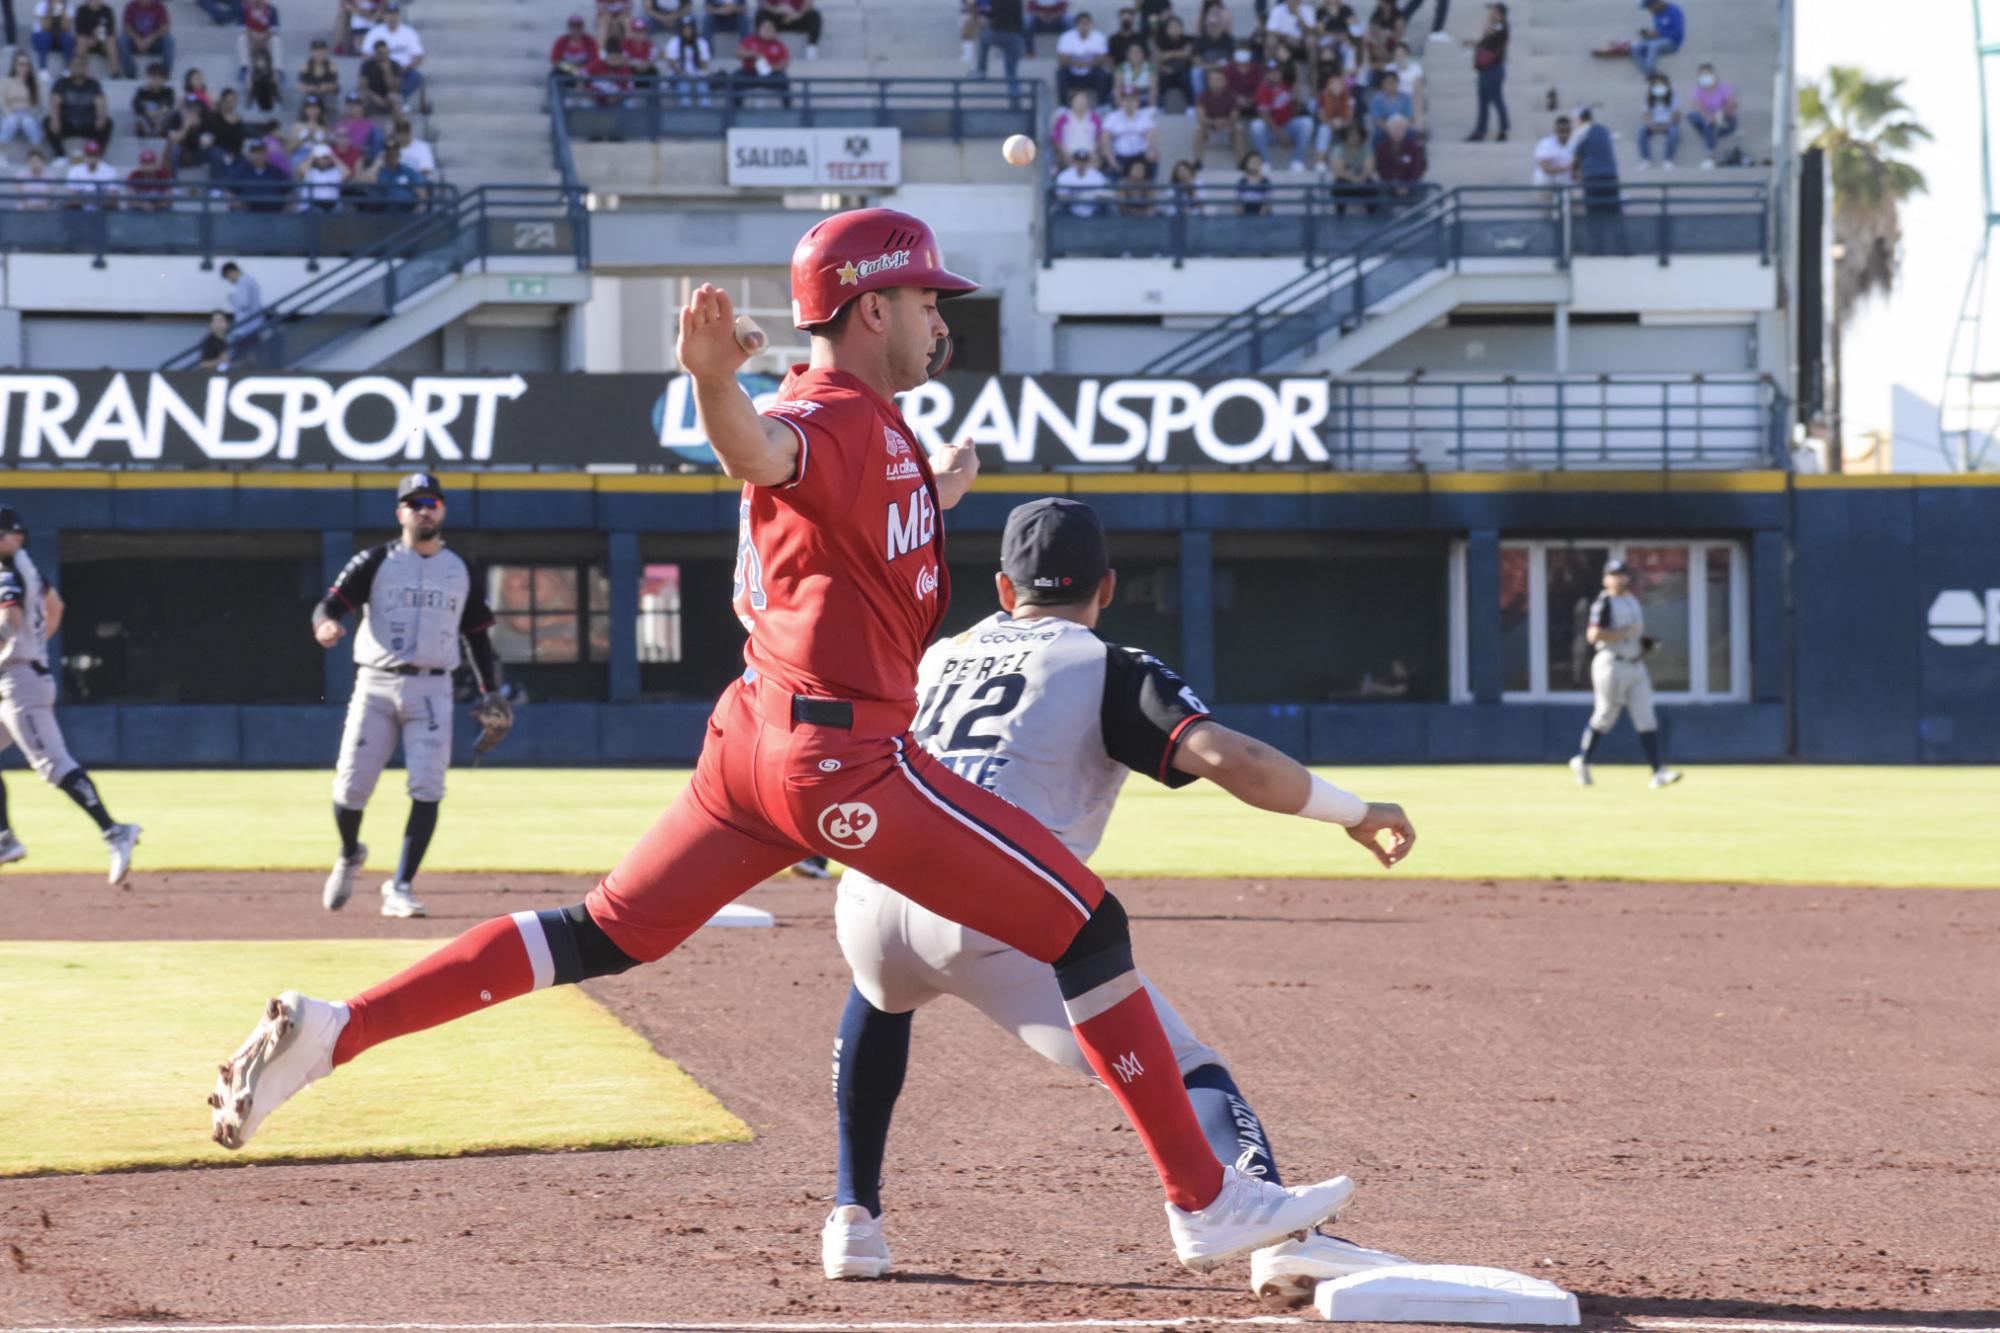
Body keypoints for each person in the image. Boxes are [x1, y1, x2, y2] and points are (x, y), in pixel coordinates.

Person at [210, 208, 1362, 1287]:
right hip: (841, 761)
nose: (936, 316)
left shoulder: (885, 433)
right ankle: (1202, 1197)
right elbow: (760, 449)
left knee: (603, 931)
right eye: (921, 298)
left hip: (749, 748)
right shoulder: (828, 417)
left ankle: (338, 1029)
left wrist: (944, 481)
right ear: (870, 310)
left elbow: (865, 502)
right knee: (1087, 924)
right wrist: (713, 380)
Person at [819, 498, 1415, 1297]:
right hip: (998, 913)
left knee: (878, 995)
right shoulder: (1104, 664)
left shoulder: (933, 657)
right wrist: (1355, 810)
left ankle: (853, 1219)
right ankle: (1279, 1235)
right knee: (1190, 1067)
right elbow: (1227, 757)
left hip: (869, 899)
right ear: (1106, 588)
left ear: (1003, 588)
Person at [308, 474, 504, 920]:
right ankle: (349, 852)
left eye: (431, 501)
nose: (424, 509)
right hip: (376, 683)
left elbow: (476, 636)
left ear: (443, 510)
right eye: (413, 502)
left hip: (434, 687)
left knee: (428, 787)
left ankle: (401, 885)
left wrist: (491, 691)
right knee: (351, 788)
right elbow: (331, 604)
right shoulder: (375, 561)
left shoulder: (459, 570)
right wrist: (325, 624)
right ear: (400, 513)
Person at [0, 506, 141, 885]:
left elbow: (8, 620)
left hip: (18, 683)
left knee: (54, 766)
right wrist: (35, 646)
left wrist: (21, 647)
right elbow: (55, 606)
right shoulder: (26, 568)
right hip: (18, 674)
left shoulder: (8, 570)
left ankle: (115, 831)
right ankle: (3, 838)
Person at [1569, 558, 1680, 789]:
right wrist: (1622, 633)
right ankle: (1584, 761)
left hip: (1635, 664)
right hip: (1611, 663)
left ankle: (1658, 771)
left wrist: (1645, 643)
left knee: (1646, 717)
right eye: (1614, 574)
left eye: (1622, 574)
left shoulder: (1632, 601)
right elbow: (1593, 635)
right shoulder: (1605, 603)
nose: (1620, 578)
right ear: (1605, 579)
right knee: (1605, 716)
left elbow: (1635, 635)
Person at [43, 53, 109, 157]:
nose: (78, 68)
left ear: (85, 68)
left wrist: (101, 117)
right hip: (67, 123)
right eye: (75, 65)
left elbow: (100, 101)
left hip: (88, 123)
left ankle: (96, 155)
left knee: (107, 123)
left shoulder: (93, 84)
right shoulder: (61, 83)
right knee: (47, 121)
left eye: (81, 65)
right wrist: (55, 118)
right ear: (70, 67)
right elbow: (54, 101)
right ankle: (60, 156)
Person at [361, 3, 424, 108]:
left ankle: (399, 99)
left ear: (399, 16)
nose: (392, 18)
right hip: (379, 70)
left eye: (395, 14)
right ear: (384, 16)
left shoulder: (409, 33)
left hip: (403, 71)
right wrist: (380, 65)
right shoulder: (375, 32)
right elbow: (365, 55)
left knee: (416, 76)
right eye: (389, 15)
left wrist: (406, 67)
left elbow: (419, 56)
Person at [1248, 59, 1306, 172]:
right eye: (1270, 72)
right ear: (1266, 75)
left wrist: (1297, 99)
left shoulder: (1287, 85)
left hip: (1287, 126)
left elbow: (1295, 110)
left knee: (1306, 123)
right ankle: (1265, 163)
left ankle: (1296, 161)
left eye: (1276, 72)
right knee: (1256, 125)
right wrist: (1281, 134)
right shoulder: (1263, 88)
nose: (1273, 75)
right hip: (1271, 131)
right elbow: (1264, 115)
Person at [1464, 0, 1504, 141]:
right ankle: (1480, 130)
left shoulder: (1501, 27)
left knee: (1496, 100)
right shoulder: (1495, 27)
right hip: (1485, 69)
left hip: (1493, 69)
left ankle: (1503, 129)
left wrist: (1488, 22)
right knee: (1483, 102)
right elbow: (1484, 41)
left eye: (1493, 11)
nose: (1490, 14)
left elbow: (1490, 38)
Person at [1685, 61, 1736, 168]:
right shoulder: (1697, 90)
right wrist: (1709, 117)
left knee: (1709, 124)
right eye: (1702, 75)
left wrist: (1720, 114)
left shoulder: (1723, 87)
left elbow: (1732, 103)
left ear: (1713, 74)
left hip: (1725, 118)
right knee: (1696, 117)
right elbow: (1699, 107)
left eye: (1707, 74)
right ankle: (1710, 153)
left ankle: (1710, 155)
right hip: (1709, 118)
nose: (1705, 77)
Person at [1100, 85, 1157, 179]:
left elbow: (1151, 139)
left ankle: (1148, 189)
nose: (1129, 102)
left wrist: (1150, 150)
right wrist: (1112, 161)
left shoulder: (1145, 117)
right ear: (1121, 101)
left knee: (1154, 157)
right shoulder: (1112, 117)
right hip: (1119, 157)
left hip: (1139, 157)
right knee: (1108, 165)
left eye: (1132, 99)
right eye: (1125, 99)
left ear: (1137, 101)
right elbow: (1105, 142)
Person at [1054, 10, 1110, 105]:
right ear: (1076, 24)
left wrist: (1084, 64)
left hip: (1091, 73)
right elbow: (1062, 59)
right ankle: (1063, 106)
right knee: (1060, 73)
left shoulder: (1099, 37)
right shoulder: (1066, 37)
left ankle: (1102, 104)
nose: (1084, 26)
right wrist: (1076, 64)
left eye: (1087, 23)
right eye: (1082, 23)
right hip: (1072, 73)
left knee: (1103, 75)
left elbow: (1102, 58)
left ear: (1091, 24)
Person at [975, 0, 1027, 94]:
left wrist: (980, 12)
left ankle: (981, 70)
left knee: (983, 37)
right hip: (1016, 38)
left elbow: (992, 12)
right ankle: (1015, 103)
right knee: (1011, 74)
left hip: (998, 34)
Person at [661, 14, 713, 106]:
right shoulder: (674, 41)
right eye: (684, 28)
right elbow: (670, 63)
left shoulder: (701, 42)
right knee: (684, 85)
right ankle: (685, 112)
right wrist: (683, 73)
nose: (687, 31)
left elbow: (705, 66)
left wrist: (696, 54)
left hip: (697, 76)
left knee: (703, 87)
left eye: (689, 28)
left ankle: (706, 113)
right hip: (678, 76)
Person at [1307, 63, 1351, 169]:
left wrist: (1342, 123)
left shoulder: (1348, 98)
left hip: (1342, 125)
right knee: (1323, 130)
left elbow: (1350, 118)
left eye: (1339, 84)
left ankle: (1347, 162)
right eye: (1333, 84)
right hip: (1328, 123)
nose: (1336, 87)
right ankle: (1320, 162)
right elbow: (1322, 116)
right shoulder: (1323, 96)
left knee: (1350, 131)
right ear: (1329, 86)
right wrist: (1332, 123)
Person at [1327, 117, 1375, 212]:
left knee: (1372, 187)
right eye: (1351, 135)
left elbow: (1369, 168)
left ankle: (1372, 216)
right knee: (1339, 187)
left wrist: (1360, 178)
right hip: (1345, 180)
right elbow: (1339, 171)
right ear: (1345, 136)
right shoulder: (1338, 149)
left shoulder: (1366, 148)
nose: (1354, 138)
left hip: (1362, 179)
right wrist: (1353, 179)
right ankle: (1339, 217)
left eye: (1357, 135)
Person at [1373, 111, 1423, 198]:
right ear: (1388, 130)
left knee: (1420, 190)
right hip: (1388, 183)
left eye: (1401, 129)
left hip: (1409, 183)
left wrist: (1407, 185)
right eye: (1395, 128)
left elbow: (1417, 168)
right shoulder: (1381, 148)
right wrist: (1394, 185)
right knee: (1381, 190)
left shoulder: (1414, 147)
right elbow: (1381, 168)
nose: (1398, 131)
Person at [0, 52, 45, 150]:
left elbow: (38, 104)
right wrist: (10, 114)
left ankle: (37, 153)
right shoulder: (7, 81)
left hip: (28, 114)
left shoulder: (34, 83)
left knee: (28, 122)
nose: (24, 67)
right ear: (15, 65)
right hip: (10, 113)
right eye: (21, 64)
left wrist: (28, 114)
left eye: (26, 64)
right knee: (11, 121)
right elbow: (2, 102)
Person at [1628, 0, 1681, 78]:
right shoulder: (1657, 15)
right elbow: (1659, 31)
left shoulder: (1674, 11)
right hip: (1659, 41)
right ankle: (1651, 73)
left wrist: (1659, 34)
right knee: (1635, 48)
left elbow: (1678, 33)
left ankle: (1650, 73)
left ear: (1657, 3)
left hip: (1672, 42)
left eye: (1650, 7)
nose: (1650, 10)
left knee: (1653, 46)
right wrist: (1649, 35)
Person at [1635, 72, 1676, 169]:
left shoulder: (1672, 99)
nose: (1659, 87)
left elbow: (1676, 116)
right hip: (1653, 124)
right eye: (1657, 84)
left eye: (1661, 84)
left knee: (1674, 132)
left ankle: (1667, 160)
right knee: (1641, 130)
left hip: (1668, 123)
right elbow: (1645, 115)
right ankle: (1645, 160)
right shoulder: (1648, 99)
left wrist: (1668, 124)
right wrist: (1651, 124)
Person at [235, 0, 281, 86]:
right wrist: (252, 34)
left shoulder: (271, 9)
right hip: (250, 38)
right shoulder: (243, 9)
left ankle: (277, 69)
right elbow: (240, 28)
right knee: (241, 38)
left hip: (266, 38)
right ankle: (244, 67)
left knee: (276, 39)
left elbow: (275, 29)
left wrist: (265, 36)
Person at [1053, 145, 1108, 216]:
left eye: (1084, 160)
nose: (1082, 163)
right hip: (1070, 212)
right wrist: (1081, 197)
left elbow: (1104, 196)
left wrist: (1091, 196)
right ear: (1074, 161)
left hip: (1094, 212)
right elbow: (1061, 196)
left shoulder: (1097, 175)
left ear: (1088, 161)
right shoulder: (1064, 175)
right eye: (1079, 160)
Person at [752, 0, 817, 59]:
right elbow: (762, 3)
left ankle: (811, 47)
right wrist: (777, 10)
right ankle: (761, 45)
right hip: (776, 18)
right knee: (760, 13)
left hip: (796, 18)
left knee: (814, 15)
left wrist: (798, 14)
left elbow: (809, 3)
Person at [1152, 16, 1192, 112]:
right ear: (1167, 30)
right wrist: (1164, 68)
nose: (1174, 29)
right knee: (1160, 79)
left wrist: (1169, 54)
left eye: (1177, 26)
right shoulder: (1161, 41)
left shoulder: (1188, 39)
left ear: (1182, 28)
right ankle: (1160, 107)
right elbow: (1158, 58)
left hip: (1182, 71)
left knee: (1187, 79)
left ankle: (1191, 106)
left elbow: (1186, 53)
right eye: (1171, 27)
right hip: (1166, 71)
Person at [62, 135, 116, 204]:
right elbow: (71, 197)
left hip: (102, 209)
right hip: (80, 209)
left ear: (100, 156)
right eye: (89, 155)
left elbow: (112, 197)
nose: (92, 159)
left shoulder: (109, 171)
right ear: (85, 156)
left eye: (95, 155)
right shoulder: (75, 170)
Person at [130, 60, 174, 135]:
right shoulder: (141, 91)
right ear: (148, 78)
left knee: (168, 118)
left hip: (161, 118)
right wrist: (148, 113)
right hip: (146, 118)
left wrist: (159, 113)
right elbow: (136, 105)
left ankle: (158, 132)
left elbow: (169, 104)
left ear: (164, 79)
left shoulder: (168, 92)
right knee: (140, 121)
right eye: (153, 77)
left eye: (159, 77)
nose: (156, 80)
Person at [1365, 66, 1411, 135]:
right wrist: (1390, 130)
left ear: (1397, 83)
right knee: (1379, 134)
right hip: (1384, 129)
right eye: (1388, 83)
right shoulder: (1377, 99)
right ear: (1383, 85)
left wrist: (1400, 130)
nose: (1391, 86)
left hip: (1402, 129)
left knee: (1412, 133)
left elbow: (1409, 118)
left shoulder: (1405, 98)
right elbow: (1378, 120)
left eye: (1393, 83)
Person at [1531, 112, 1572, 189]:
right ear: (1555, 130)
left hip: (1567, 183)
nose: (1564, 133)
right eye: (1561, 130)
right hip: (1548, 183)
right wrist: (1567, 169)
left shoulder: (1576, 143)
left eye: (1567, 130)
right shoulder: (1546, 144)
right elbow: (1546, 167)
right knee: (1542, 180)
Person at [32, 0, 75, 71]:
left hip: (58, 37)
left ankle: (67, 70)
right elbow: (45, 27)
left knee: (69, 39)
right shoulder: (42, 5)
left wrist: (62, 12)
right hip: (41, 37)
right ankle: (43, 70)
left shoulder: (68, 7)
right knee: (44, 37)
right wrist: (50, 11)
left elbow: (66, 28)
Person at [1235, 147, 1270, 213]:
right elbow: (1238, 205)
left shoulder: (1266, 181)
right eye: (1252, 161)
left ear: (1261, 163)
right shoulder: (1242, 182)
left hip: (1262, 219)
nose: (1254, 164)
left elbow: (1266, 205)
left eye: (1257, 161)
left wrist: (1259, 220)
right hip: (1246, 218)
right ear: (1247, 164)